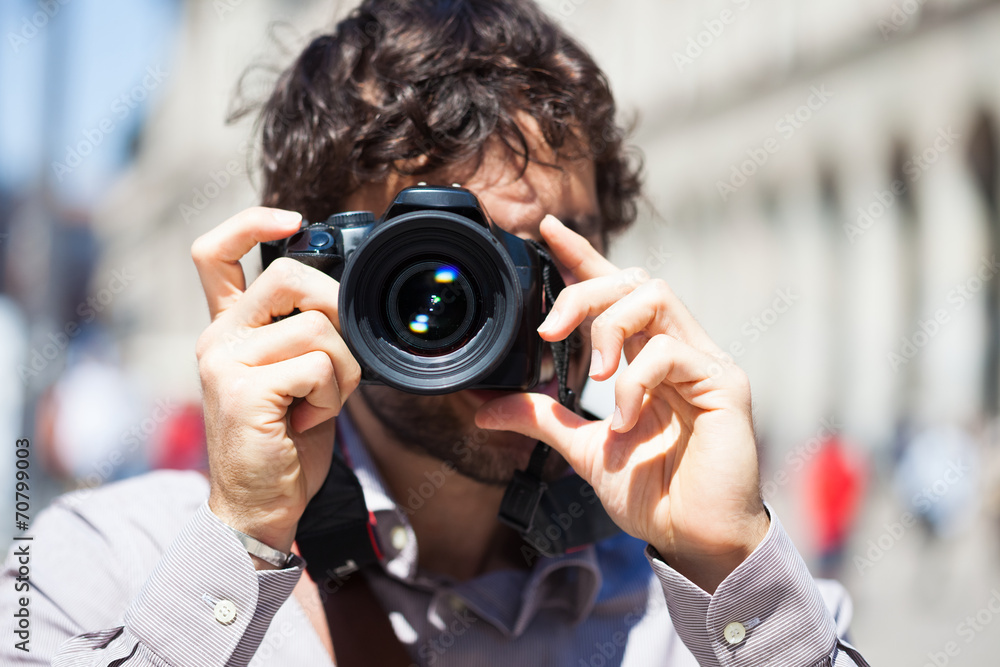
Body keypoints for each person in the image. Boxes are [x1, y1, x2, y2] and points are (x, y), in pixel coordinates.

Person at [1, 1, 870, 665]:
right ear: (313, 269)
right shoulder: (101, 568)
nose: (510, 310)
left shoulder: (704, 608)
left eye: (547, 253)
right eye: (444, 259)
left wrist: (727, 564)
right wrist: (240, 543)